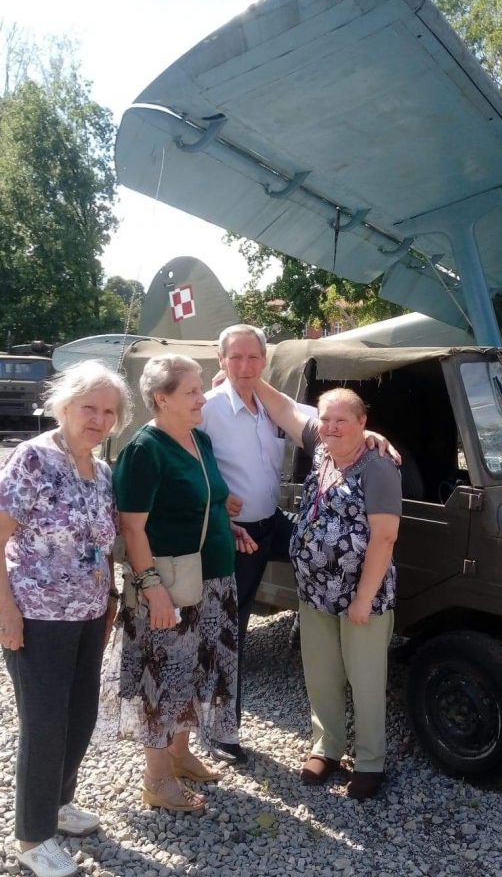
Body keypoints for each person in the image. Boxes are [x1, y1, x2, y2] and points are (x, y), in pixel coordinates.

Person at [200, 324, 400, 764]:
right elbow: (176, 451)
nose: (245, 366)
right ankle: (220, 729)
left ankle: (361, 750)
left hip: (272, 524)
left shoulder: (272, 408)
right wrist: (212, 497)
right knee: (228, 628)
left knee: (325, 569)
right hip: (236, 533)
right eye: (236, 358)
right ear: (221, 361)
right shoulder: (208, 408)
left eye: (254, 357)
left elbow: (318, 418)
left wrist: (371, 437)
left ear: (264, 361)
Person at [0, 360, 132, 877]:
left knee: (80, 715)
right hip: (37, 615)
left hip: (89, 612)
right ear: (64, 406)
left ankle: (58, 804)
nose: (99, 420)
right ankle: (32, 837)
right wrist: (6, 611)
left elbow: (103, 544)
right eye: (89, 408)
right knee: (45, 722)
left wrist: (111, 597)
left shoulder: (101, 470)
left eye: (109, 412)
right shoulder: (33, 459)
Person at [112, 354, 257, 813]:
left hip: (213, 579)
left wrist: (228, 527)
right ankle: (157, 780)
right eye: (192, 391)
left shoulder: (199, 439)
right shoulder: (145, 450)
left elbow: (207, 500)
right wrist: (152, 587)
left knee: (196, 671)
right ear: (162, 399)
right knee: (165, 676)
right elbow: (132, 528)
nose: (202, 398)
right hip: (170, 584)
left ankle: (179, 755)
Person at [254, 381, 402, 800]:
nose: (332, 427)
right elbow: (284, 408)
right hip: (315, 590)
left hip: (361, 595)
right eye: (326, 419)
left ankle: (370, 761)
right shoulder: (322, 449)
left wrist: (363, 598)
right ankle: (327, 747)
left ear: (362, 423)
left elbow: (385, 537)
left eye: (343, 420)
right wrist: (244, 375)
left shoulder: (378, 466)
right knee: (321, 672)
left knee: (365, 678)